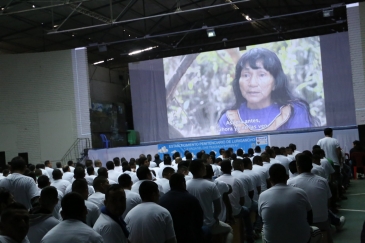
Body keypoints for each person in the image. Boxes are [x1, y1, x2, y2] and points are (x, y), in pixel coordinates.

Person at [218, 48, 318, 134]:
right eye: (246, 75)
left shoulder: (294, 111)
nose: (252, 83)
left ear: (275, 82)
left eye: (261, 75)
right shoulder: (229, 118)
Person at [259, 164, 321, 243]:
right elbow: (310, 217)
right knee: (317, 231)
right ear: (287, 177)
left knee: (263, 231)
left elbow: (262, 220)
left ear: (270, 179)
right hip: (301, 239)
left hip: (272, 240)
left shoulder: (262, 196)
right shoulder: (300, 192)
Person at [287, 153, 333, 242]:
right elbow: (328, 201)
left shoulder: (291, 183)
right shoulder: (323, 181)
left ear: (298, 167)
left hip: (302, 222)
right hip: (322, 220)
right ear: (311, 167)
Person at [186, 160, 233, 243]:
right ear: (201, 169)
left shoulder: (186, 184)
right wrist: (215, 218)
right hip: (209, 223)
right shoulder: (211, 185)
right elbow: (218, 207)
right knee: (229, 229)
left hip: (192, 225)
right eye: (204, 167)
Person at [216, 160, 254, 243]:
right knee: (246, 211)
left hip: (220, 213)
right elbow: (242, 201)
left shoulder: (217, 181)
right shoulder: (237, 180)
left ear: (221, 169)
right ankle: (249, 236)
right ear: (231, 168)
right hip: (235, 211)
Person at [160, 173, 204, 243]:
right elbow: (199, 221)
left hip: (168, 236)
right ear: (183, 184)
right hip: (189, 236)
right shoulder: (191, 199)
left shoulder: (162, 200)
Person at [317, 128, 346, 199]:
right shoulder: (335, 140)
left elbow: (317, 151)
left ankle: (331, 197)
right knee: (337, 179)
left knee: (328, 180)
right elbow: (338, 152)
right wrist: (339, 161)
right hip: (335, 162)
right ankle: (339, 195)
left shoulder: (320, 141)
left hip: (324, 163)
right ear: (331, 133)